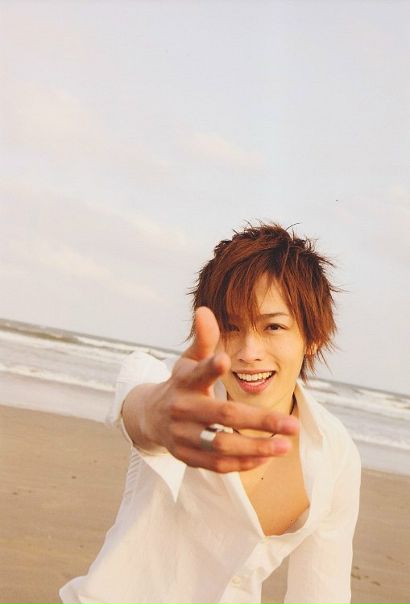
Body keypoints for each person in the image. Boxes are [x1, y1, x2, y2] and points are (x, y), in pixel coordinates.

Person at [60, 222, 361, 604]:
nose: (249, 352)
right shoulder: (174, 391)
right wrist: (155, 418)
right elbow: (142, 405)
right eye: (230, 327)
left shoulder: (335, 454)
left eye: (273, 326)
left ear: (313, 337)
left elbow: (321, 594)